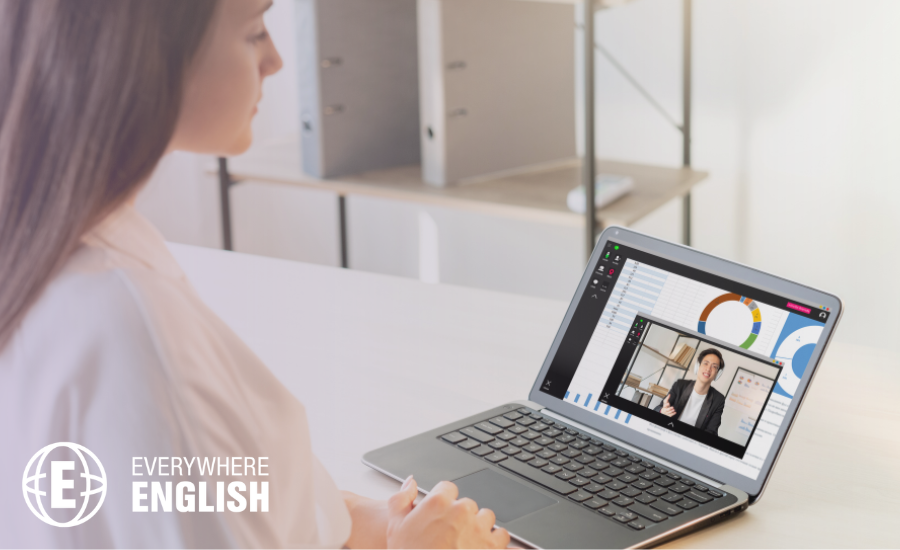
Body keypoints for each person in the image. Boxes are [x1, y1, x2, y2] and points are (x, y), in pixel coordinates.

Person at [0, 1, 509, 548]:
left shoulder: (58, 244)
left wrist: (353, 521)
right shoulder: (137, 336)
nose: (276, 61)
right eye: (253, 32)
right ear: (148, 56)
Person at [654, 348, 726, 435]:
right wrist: (662, 411)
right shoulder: (679, 385)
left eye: (714, 366)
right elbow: (657, 409)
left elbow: (711, 432)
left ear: (717, 374)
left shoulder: (718, 400)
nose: (708, 369)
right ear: (698, 366)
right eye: (705, 363)